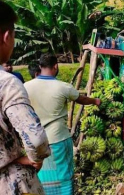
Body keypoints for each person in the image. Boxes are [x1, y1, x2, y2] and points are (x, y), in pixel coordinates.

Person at [24, 54, 101, 194]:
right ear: (55, 66)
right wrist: (95, 101)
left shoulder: (25, 87)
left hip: (34, 140)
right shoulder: (62, 86)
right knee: (63, 173)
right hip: (58, 138)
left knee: (42, 172)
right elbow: (81, 99)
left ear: (40, 67)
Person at [0, 0, 51, 194]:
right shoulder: (7, 83)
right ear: (6, 36)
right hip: (10, 183)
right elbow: (36, 140)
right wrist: (35, 158)